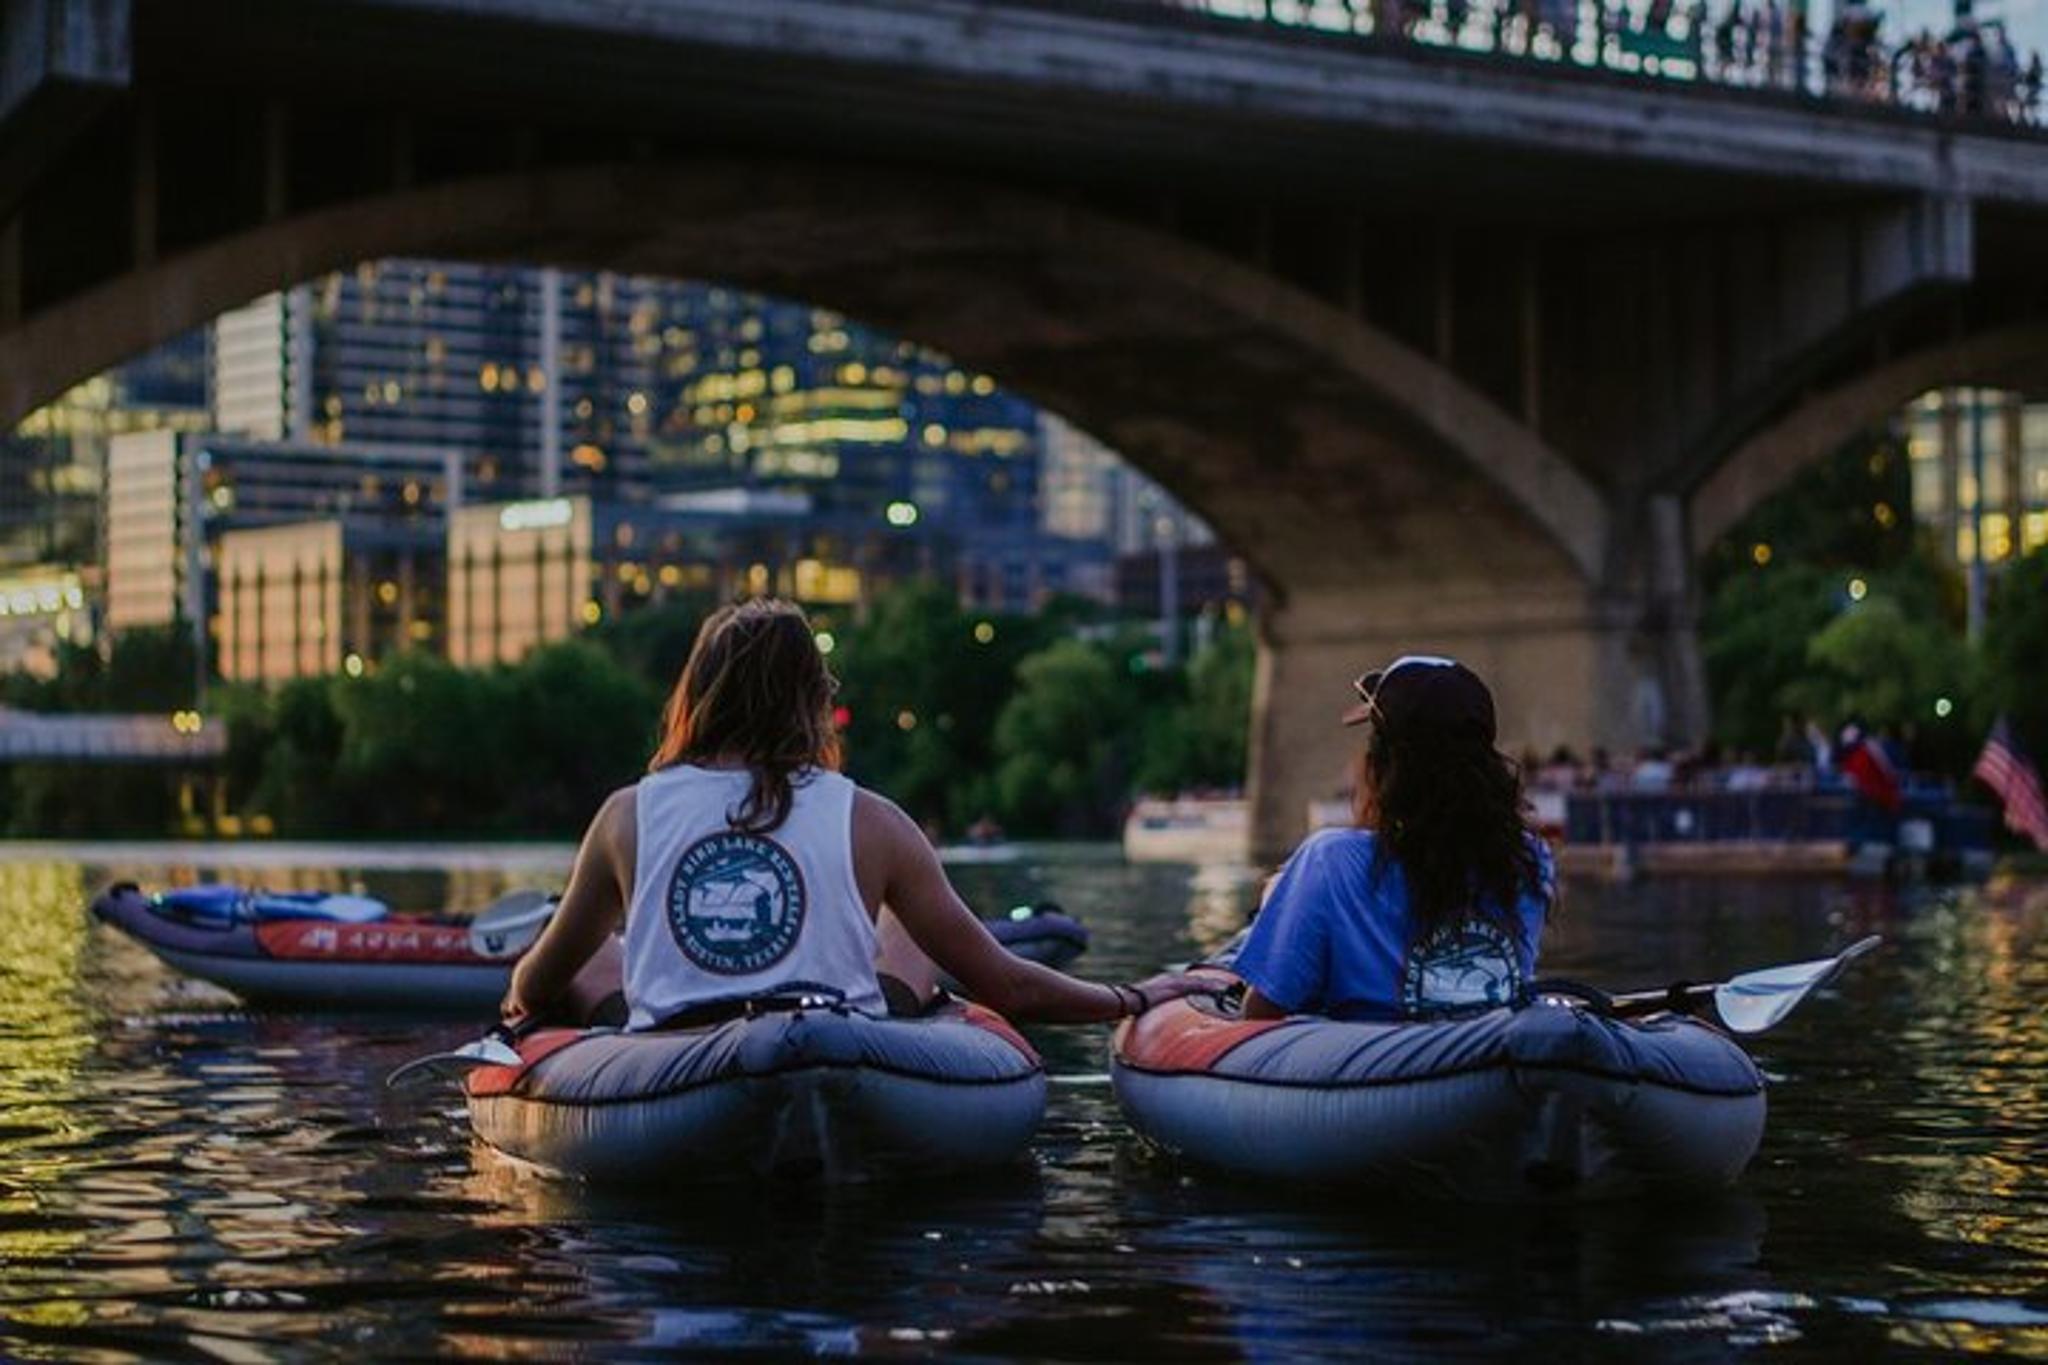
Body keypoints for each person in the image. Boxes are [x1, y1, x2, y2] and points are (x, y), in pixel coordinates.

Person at [503, 598, 1215, 1032]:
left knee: (583, 944)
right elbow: (1011, 986)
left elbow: (538, 987)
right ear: (813, 700)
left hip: (668, 1057)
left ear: (696, 697)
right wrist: (1131, 996)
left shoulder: (627, 814)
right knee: (909, 925)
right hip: (835, 1038)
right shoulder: (871, 818)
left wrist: (522, 1008)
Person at [1233, 655, 1555, 1021]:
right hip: (1497, 1054)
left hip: (1371, 1067)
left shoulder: (1329, 860)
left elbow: (1259, 1014)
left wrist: (1281, 902)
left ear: (1385, 766)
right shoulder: (1531, 859)